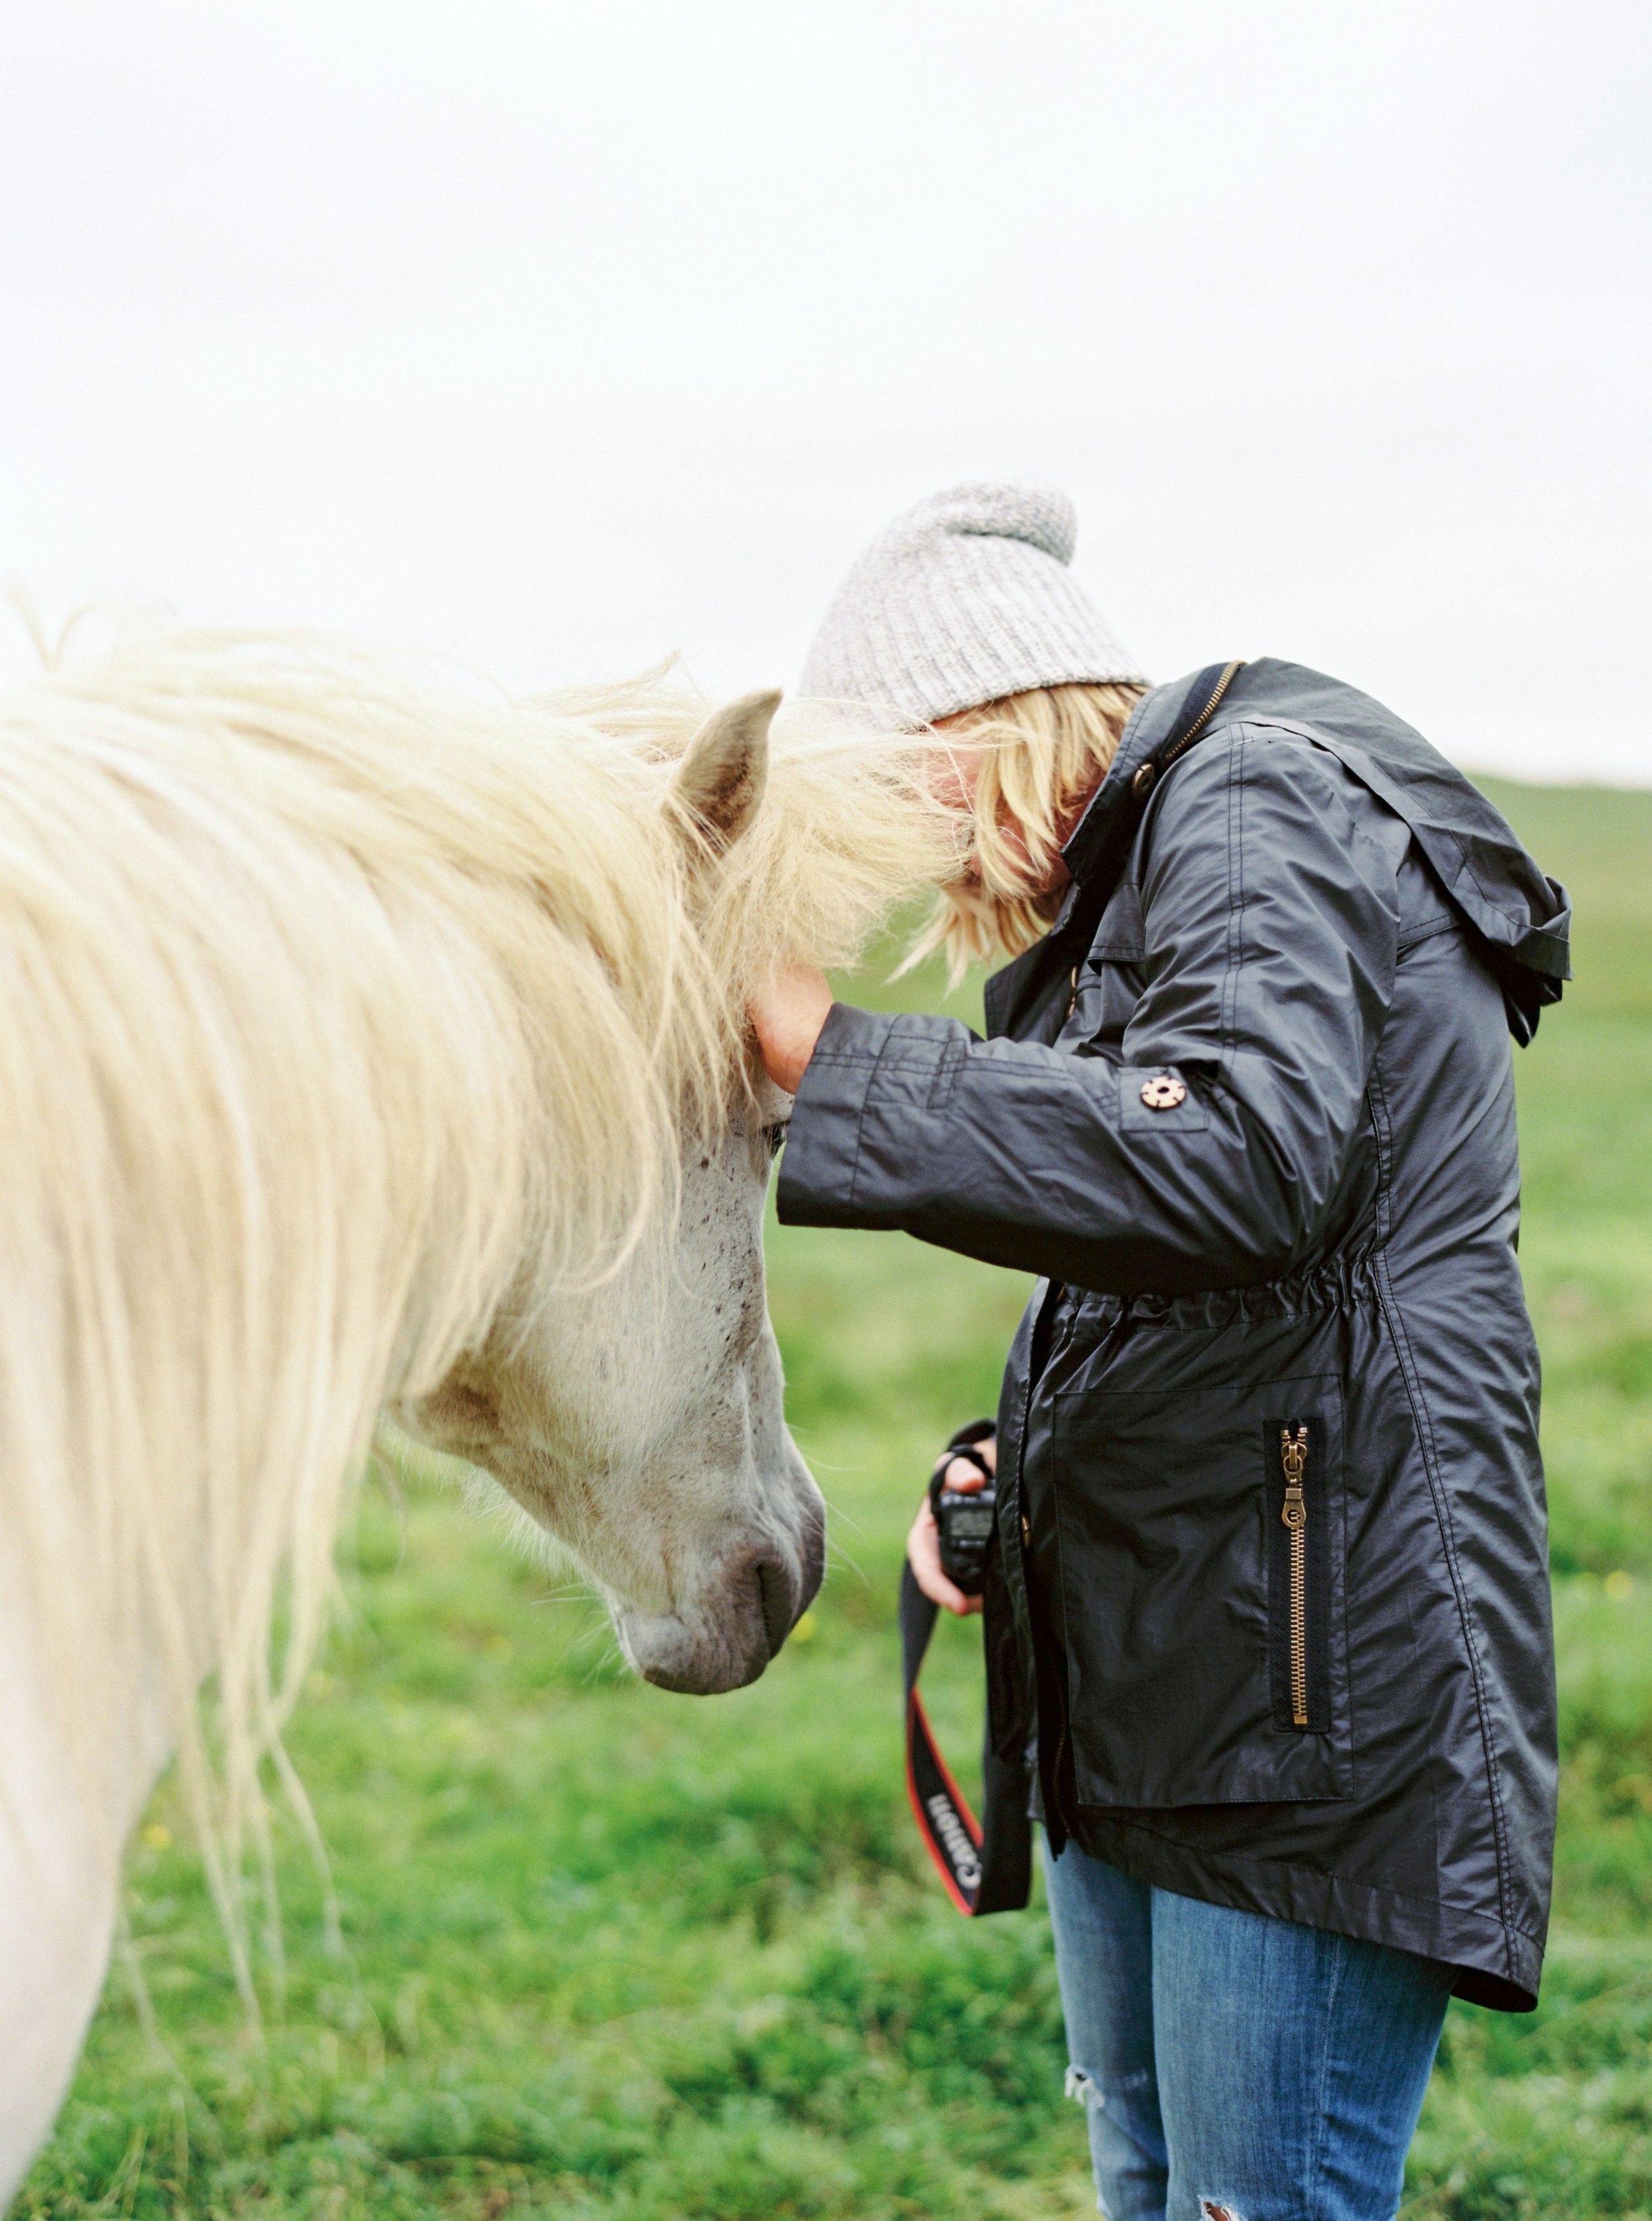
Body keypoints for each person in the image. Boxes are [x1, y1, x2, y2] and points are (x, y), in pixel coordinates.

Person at [749, 483, 1567, 2221]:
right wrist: (1005, 1473)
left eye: (897, 782)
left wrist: (834, 1061)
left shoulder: (1256, 796)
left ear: (984, 715)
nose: (905, 848)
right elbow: (1195, 1270)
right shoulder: (1139, 879)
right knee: (1153, 2186)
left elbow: (1231, 1158)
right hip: (1193, 1667)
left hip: (1310, 1703)